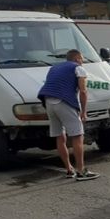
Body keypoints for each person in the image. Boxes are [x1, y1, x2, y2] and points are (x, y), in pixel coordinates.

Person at [37, 49, 98, 181]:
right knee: (77, 136)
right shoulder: (78, 68)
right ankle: (81, 171)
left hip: (48, 101)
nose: (82, 62)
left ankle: (69, 169)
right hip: (64, 101)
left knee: (60, 136)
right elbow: (83, 91)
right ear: (77, 59)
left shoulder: (54, 68)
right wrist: (83, 111)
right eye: (81, 59)